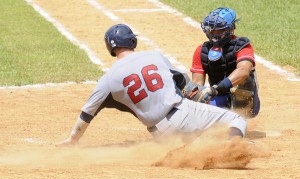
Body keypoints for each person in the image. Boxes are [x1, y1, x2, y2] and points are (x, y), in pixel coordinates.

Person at [57, 23, 248, 147]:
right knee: (237, 120)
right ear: (132, 41)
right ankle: (231, 151)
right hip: (182, 113)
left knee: (197, 141)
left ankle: (196, 148)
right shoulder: (153, 56)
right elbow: (184, 84)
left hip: (161, 136)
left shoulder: (107, 81)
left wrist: (74, 139)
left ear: (111, 48)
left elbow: (86, 114)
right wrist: (205, 94)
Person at [184, 7, 260, 118]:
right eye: (212, 30)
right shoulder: (201, 51)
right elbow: (197, 82)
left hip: (244, 100)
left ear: (230, 29)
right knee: (192, 96)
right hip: (218, 97)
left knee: (243, 87)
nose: (214, 33)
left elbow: (243, 72)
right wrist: (193, 98)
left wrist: (215, 89)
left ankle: (237, 120)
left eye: (219, 30)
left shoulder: (242, 46)